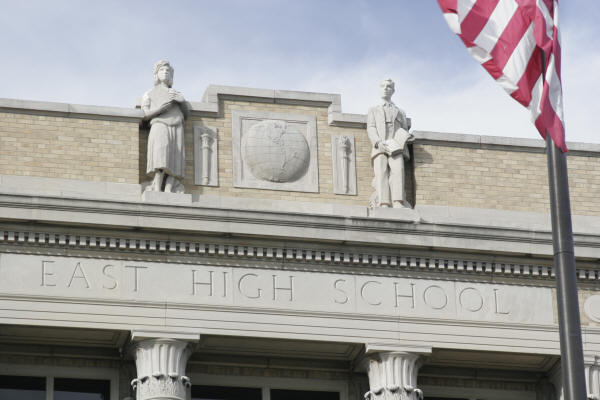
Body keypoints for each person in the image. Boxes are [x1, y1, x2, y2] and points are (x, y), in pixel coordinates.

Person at [142, 60, 190, 193]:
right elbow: (144, 114)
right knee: (161, 155)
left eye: (168, 71)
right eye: (162, 70)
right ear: (156, 74)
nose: (165, 73)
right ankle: (157, 187)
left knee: (174, 158)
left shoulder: (175, 93)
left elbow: (186, 114)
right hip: (159, 124)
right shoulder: (149, 93)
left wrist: (182, 101)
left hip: (177, 126)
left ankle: (169, 188)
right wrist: (159, 109)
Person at [367, 78, 414, 208]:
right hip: (380, 145)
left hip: (396, 146)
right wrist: (377, 142)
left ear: (393, 90)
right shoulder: (373, 110)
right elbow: (371, 127)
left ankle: (398, 201)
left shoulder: (400, 112)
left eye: (388, 86)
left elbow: (404, 129)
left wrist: (406, 137)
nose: (385, 88)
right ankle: (384, 202)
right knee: (381, 172)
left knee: (398, 170)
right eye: (383, 86)